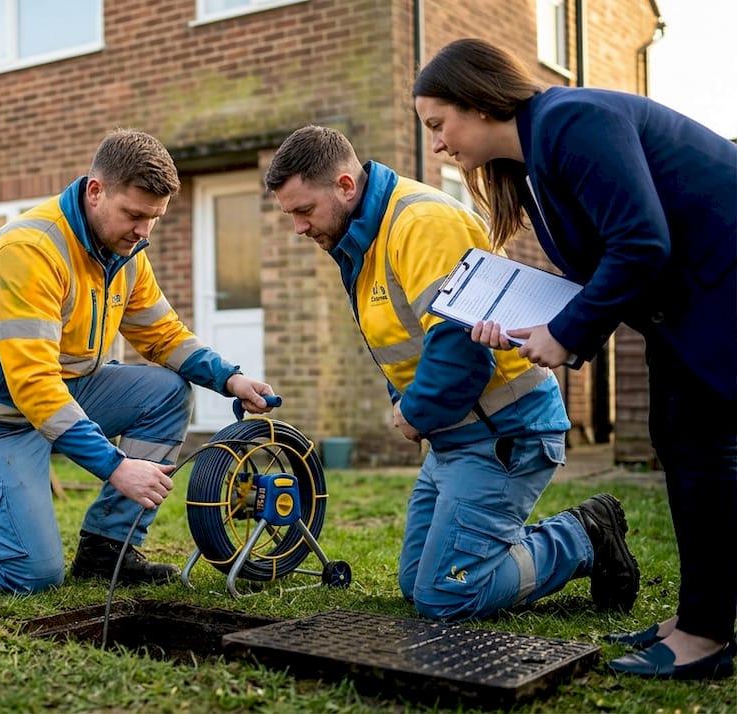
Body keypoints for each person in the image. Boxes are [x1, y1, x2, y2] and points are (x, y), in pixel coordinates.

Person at [413, 37, 737, 681]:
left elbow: (641, 242)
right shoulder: (534, 164)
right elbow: (608, 266)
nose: (438, 144)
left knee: (704, 451)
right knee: (675, 439)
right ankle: (700, 616)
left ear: (477, 102)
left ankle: (707, 634)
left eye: (438, 124)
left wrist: (565, 334)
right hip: (687, 304)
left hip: (720, 284)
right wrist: (540, 325)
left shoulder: (572, 119)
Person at [264, 124, 640, 624]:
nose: (299, 228)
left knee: (447, 596)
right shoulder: (364, 236)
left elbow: (462, 352)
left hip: (504, 432)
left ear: (345, 186)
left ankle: (584, 534)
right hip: (457, 436)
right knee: (415, 582)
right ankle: (512, 549)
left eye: (303, 211)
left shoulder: (420, 223)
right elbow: (402, 336)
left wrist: (414, 414)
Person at [0, 128, 276, 595]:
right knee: (30, 575)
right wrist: (117, 466)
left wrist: (229, 379)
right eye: (133, 214)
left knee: (167, 392)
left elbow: (161, 333)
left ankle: (108, 549)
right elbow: (33, 385)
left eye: (153, 219)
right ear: (95, 191)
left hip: (63, 392)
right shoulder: (28, 253)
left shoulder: (124, 251)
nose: (142, 231)